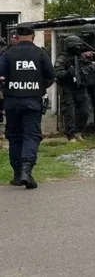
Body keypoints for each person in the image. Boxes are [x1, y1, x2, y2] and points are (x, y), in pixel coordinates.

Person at [0, 23, 56, 189]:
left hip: (12, 102)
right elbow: (51, 76)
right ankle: (27, 171)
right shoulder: (40, 53)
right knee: (31, 135)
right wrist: (39, 88)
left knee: (14, 136)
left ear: (16, 36)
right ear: (33, 36)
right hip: (32, 101)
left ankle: (18, 175)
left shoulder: (8, 53)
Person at [54, 35, 94, 143]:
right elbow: (57, 73)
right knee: (70, 113)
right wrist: (68, 73)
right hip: (68, 88)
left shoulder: (80, 57)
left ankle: (78, 132)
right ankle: (70, 135)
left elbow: (89, 66)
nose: (78, 48)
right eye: (76, 46)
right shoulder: (62, 59)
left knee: (85, 111)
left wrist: (87, 68)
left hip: (80, 87)